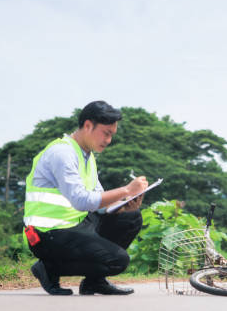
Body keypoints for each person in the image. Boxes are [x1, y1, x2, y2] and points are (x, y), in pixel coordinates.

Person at [23, 101, 148, 296]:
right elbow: (82, 201)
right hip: (48, 234)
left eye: (111, 135)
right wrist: (126, 189)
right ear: (88, 126)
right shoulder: (62, 153)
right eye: (106, 133)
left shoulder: (87, 157)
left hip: (76, 225)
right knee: (118, 260)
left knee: (130, 217)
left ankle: (94, 282)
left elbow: (98, 204)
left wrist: (126, 204)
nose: (108, 140)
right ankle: (48, 268)